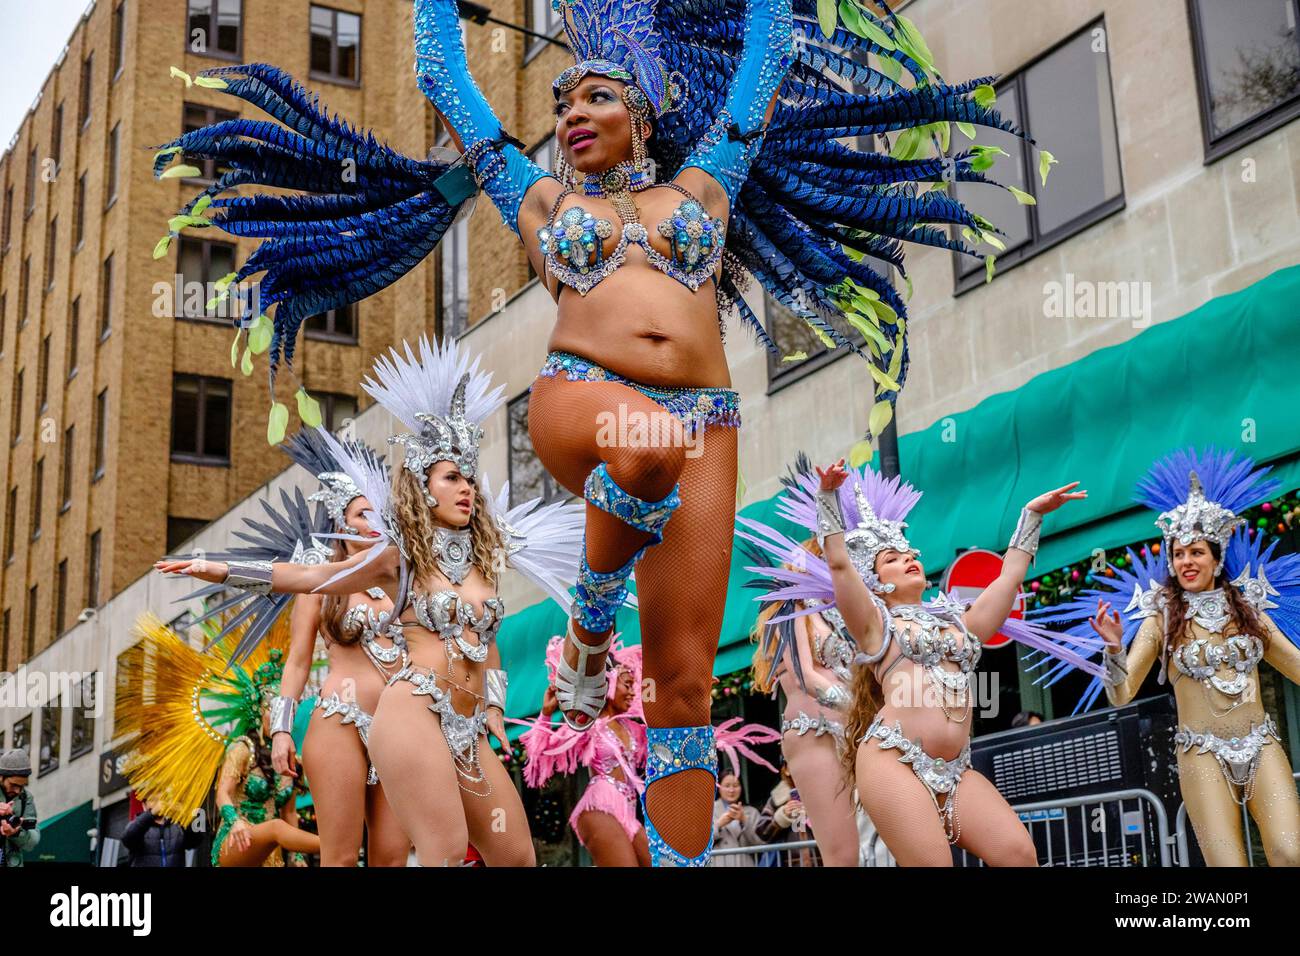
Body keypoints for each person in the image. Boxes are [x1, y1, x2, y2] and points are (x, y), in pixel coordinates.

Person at [153, 0, 1042, 864]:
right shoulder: (540, 205)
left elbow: (764, 55)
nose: (571, 114)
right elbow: (442, 76)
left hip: (710, 423)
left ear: (643, 116)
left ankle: (681, 858)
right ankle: (586, 625)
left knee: (683, 683)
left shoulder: (708, 184)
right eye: (561, 104)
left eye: (595, 99)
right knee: (646, 446)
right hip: (585, 397)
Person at [157, 337, 587, 866]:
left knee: (515, 855)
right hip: (403, 713)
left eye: (469, 478)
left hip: (467, 724)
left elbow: (486, 642)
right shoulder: (399, 558)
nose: (466, 488)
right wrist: (221, 568)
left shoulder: (489, 554)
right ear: (424, 488)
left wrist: (495, 706)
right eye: (452, 477)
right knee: (439, 850)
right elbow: (309, 579)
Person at [739, 458, 1095, 866]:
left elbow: (1008, 579)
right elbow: (838, 564)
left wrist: (1030, 516)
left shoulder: (960, 623)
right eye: (891, 558)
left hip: (954, 769)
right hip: (895, 761)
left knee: (1017, 853)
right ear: (875, 582)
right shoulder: (874, 625)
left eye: (910, 553)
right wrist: (827, 498)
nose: (908, 558)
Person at [1036, 447, 1300, 867]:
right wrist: (1113, 648)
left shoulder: (1249, 608)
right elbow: (1121, 695)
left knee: (1290, 852)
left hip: (1261, 745)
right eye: (1178, 554)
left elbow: (1294, 665)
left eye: (1196, 552)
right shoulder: (1160, 616)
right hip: (1201, 756)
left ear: (1217, 557)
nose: (1186, 561)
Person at [520, 638, 651, 867]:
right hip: (598, 808)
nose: (632, 692)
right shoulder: (588, 724)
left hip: (628, 813)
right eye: (627, 684)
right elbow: (540, 756)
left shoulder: (633, 729)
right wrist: (546, 714)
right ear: (609, 682)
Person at [121, 799, 202, 868]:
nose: (158, 804)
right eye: (153, 800)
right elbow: (128, 837)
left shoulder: (177, 827)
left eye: (162, 799)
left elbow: (196, 840)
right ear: (144, 805)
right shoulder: (139, 826)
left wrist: (183, 816)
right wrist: (151, 814)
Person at [710, 772, 764, 867]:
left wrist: (744, 820)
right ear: (719, 788)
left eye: (736, 785)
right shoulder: (709, 810)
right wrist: (718, 825)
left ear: (742, 788)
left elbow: (760, 842)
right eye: (727, 786)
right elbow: (697, 842)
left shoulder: (752, 812)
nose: (731, 790)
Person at [0, 749, 38, 867]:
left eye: (22, 786)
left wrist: (16, 833)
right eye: (14, 785)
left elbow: (33, 840)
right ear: (1, 777)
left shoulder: (26, 798)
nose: (17, 790)